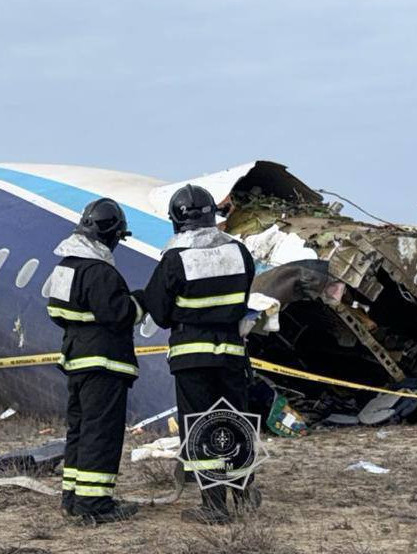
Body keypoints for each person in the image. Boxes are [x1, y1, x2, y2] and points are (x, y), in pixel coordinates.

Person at [136, 184, 260, 525]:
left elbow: (159, 312)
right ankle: (246, 493)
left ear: (177, 220)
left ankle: (215, 506)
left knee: (202, 428)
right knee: (236, 422)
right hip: (232, 354)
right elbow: (244, 297)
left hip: (193, 358)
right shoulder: (239, 252)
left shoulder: (175, 259)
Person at [48, 198, 142, 525]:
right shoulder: (100, 271)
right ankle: (94, 505)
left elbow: (56, 313)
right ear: (112, 235)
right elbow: (119, 315)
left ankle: (73, 498)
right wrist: (140, 302)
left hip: (75, 360)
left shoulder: (65, 267)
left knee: (80, 430)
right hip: (103, 364)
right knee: (101, 432)